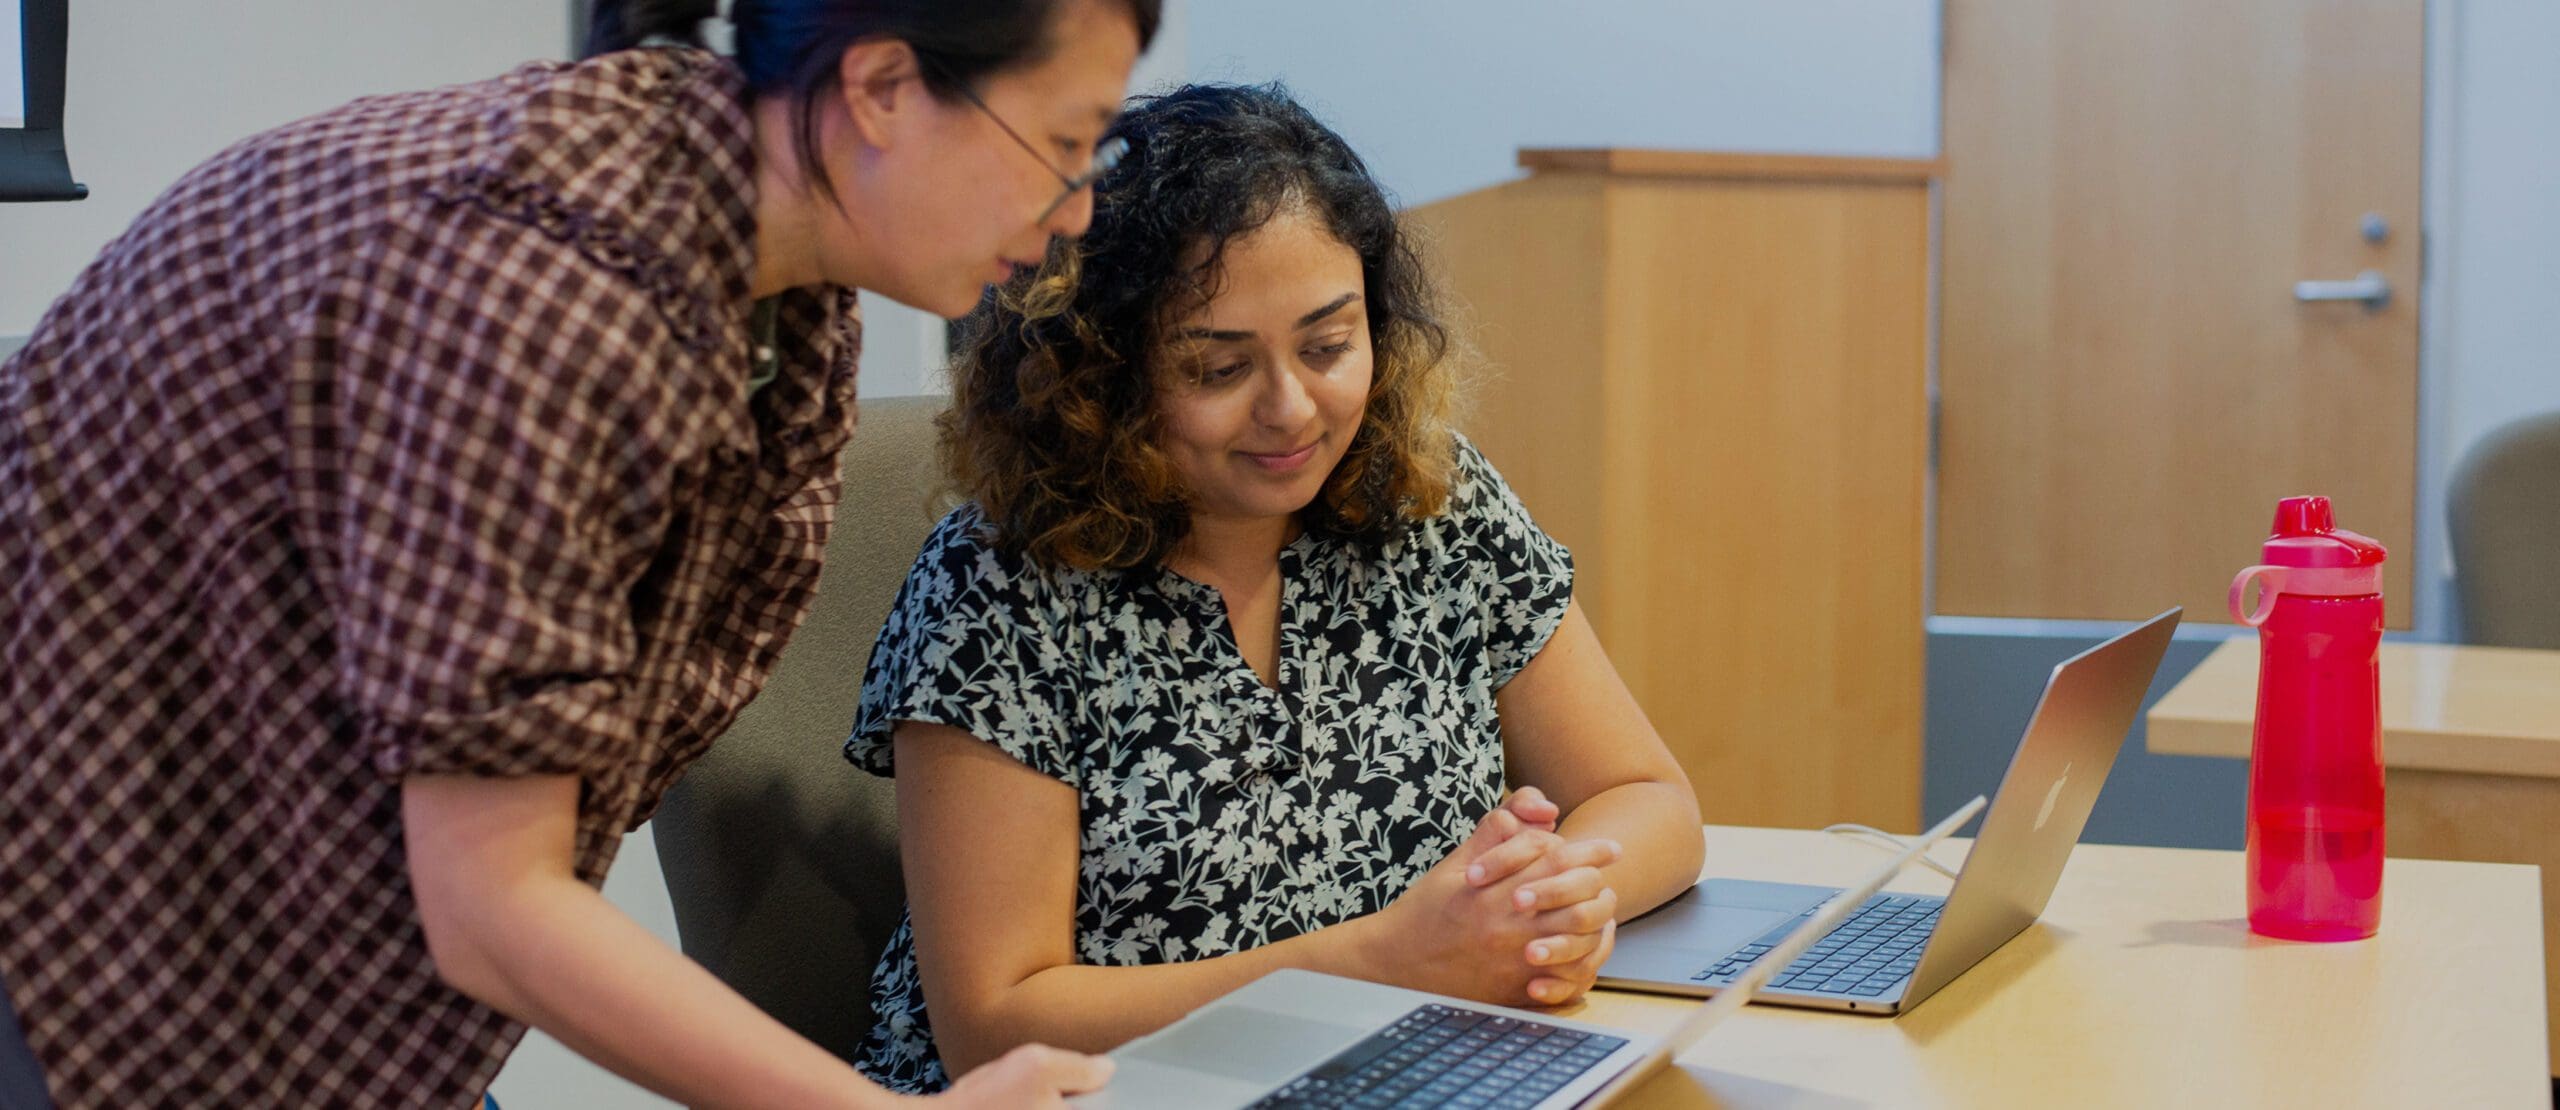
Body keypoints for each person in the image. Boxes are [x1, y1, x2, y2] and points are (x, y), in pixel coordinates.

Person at [0, 1, 1159, 1106]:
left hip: (273, 908)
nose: (1073, 211)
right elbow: (495, 905)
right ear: (882, 89)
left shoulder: (760, 260)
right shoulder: (548, 302)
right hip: (72, 911)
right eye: (1062, 145)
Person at [844, 82, 1708, 1092]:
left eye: (1329, 344)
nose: (1292, 409)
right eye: (1217, 370)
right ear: (1097, 379)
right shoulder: (1002, 584)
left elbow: (1649, 801)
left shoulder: (1432, 500)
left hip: (1393, 1073)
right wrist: (1379, 962)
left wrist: (1553, 893)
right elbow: (997, 1024)